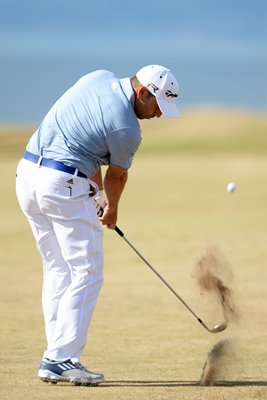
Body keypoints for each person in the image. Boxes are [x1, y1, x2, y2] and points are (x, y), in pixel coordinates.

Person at [15, 65, 179, 386]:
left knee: (59, 268)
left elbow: (87, 141)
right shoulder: (128, 130)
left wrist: (99, 195)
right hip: (61, 183)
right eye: (158, 105)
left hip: (28, 175)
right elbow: (116, 174)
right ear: (143, 93)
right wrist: (112, 209)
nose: (159, 114)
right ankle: (61, 357)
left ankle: (57, 353)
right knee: (87, 271)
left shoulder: (98, 77)